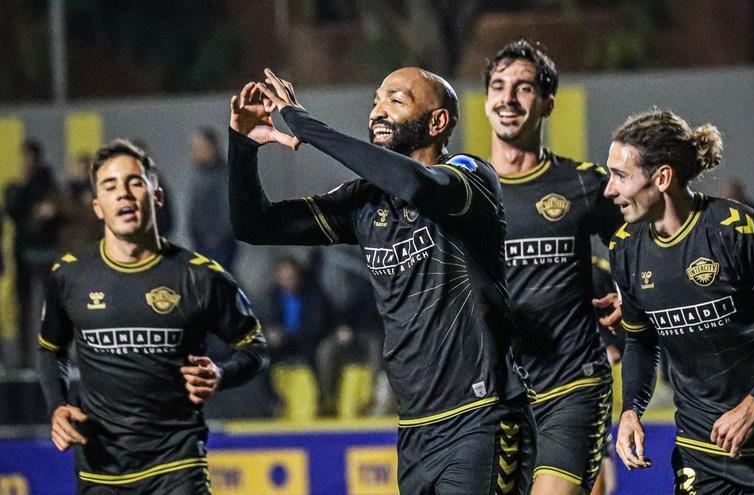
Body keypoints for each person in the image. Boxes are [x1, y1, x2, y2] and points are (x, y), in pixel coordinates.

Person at [229, 67, 533, 494]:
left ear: (437, 122)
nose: (377, 111)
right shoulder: (365, 203)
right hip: (414, 430)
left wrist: (306, 126)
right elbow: (254, 225)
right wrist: (242, 146)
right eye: (375, 100)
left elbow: (417, 185)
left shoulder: (470, 177)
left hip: (481, 416)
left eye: (396, 100)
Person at [606, 109, 754, 494]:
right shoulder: (626, 249)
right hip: (701, 455)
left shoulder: (738, 232)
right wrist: (631, 409)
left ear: (662, 178)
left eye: (620, 176)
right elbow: (640, 339)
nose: (609, 190)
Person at [37, 139, 268, 494]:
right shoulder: (69, 277)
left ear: (156, 196)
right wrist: (58, 407)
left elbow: (256, 348)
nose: (124, 195)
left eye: (134, 182)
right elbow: (49, 350)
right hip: (101, 469)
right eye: (110, 186)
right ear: (98, 207)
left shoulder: (200, 276)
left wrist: (221, 374)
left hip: (177, 463)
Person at [482, 40, 622, 495]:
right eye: (499, 87)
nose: (508, 98)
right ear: (485, 101)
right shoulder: (461, 190)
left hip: (572, 384)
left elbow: (643, 249)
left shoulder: (584, 182)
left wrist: (634, 292)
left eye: (523, 88)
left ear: (547, 104)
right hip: (494, 396)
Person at [5, 139, 65, 368]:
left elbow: (60, 210)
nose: (27, 162)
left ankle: (51, 353)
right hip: (23, 252)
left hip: (46, 252)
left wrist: (51, 210)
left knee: (48, 306)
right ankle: (24, 356)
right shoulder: (17, 185)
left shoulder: (49, 182)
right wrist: (20, 186)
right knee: (24, 306)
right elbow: (11, 211)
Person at [188, 127, 237, 270]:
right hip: (201, 242)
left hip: (219, 244)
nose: (195, 152)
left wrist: (216, 238)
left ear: (212, 148)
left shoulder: (224, 175)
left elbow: (228, 210)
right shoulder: (198, 175)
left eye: (200, 148)